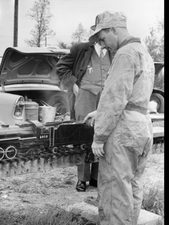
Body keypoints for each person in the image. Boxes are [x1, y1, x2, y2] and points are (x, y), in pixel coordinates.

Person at [83, 11, 155, 224]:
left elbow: (115, 97)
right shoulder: (143, 52)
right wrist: (100, 111)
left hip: (123, 132)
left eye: (103, 39)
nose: (103, 46)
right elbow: (133, 95)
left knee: (115, 191)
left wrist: (99, 136)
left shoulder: (124, 54)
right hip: (141, 126)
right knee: (132, 186)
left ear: (114, 29)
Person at [56, 40, 112, 192]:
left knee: (102, 133)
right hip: (84, 94)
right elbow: (61, 67)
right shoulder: (81, 49)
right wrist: (73, 84)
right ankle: (82, 178)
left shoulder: (114, 50)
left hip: (106, 96)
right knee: (83, 135)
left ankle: (95, 177)